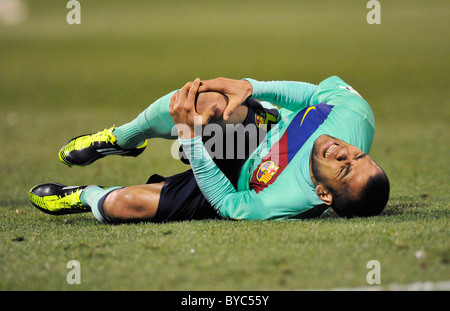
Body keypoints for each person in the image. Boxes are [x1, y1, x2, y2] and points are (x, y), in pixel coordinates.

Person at [29, 75, 390, 223]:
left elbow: (233, 205)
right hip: (261, 131)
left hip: (234, 183)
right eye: (358, 155)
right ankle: (124, 138)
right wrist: (250, 86)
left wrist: (190, 138)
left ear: (323, 194)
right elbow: (313, 94)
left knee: (126, 205)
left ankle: (85, 196)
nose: (345, 152)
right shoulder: (356, 118)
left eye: (344, 167)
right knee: (210, 101)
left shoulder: (289, 200)